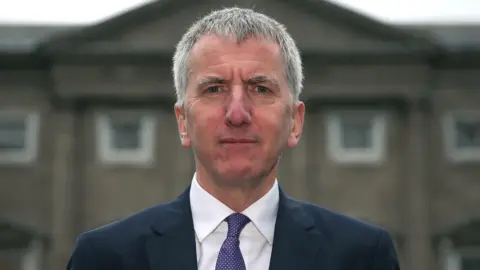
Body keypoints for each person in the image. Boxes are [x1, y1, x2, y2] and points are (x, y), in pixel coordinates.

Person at [67, 7, 400, 270]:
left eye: (260, 88)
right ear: (183, 122)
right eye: (214, 89)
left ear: (295, 122)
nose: (237, 113)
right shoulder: (104, 257)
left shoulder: (362, 256)